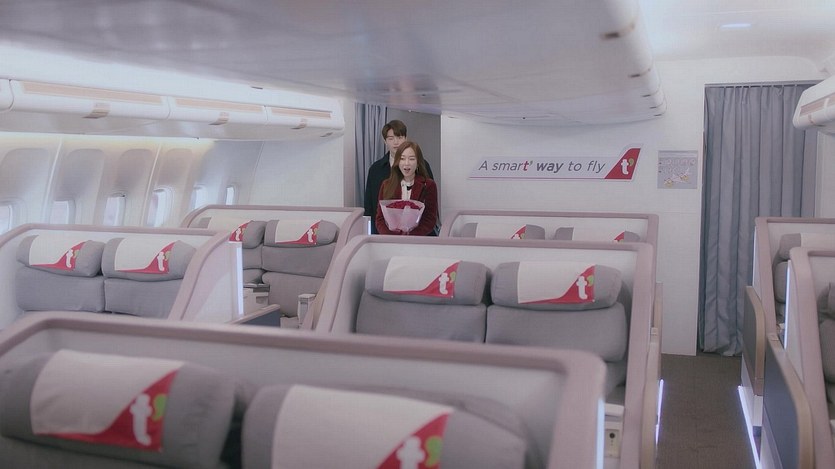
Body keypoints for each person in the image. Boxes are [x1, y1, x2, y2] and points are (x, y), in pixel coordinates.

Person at [364, 120, 434, 233]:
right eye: (391, 138)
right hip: (385, 233)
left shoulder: (423, 166)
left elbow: (430, 210)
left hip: (419, 233)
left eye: (399, 137)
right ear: (385, 141)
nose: (396, 142)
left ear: (405, 138)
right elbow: (370, 206)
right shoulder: (376, 170)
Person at [374, 141, 438, 236]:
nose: (406, 163)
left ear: (418, 162)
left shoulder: (428, 185)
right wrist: (392, 236)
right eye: (402, 159)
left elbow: (430, 219)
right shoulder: (386, 185)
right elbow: (380, 219)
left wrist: (409, 235)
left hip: (419, 239)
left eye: (411, 159)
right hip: (392, 240)